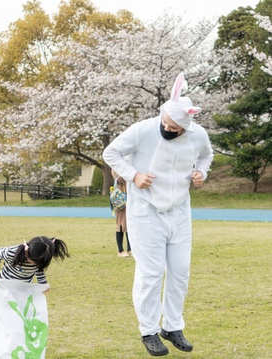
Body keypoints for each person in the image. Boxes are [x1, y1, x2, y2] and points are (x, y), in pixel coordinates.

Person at [103, 72, 213, 356]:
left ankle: (173, 326)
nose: (167, 127)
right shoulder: (142, 129)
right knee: (151, 274)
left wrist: (201, 172)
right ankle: (148, 331)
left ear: (186, 127)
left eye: (174, 127)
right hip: (145, 213)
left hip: (179, 212)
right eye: (165, 121)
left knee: (180, 272)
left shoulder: (197, 135)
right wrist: (133, 174)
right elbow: (111, 152)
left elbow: (206, 156)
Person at [0, 236, 70, 287]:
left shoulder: (41, 257)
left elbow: (39, 269)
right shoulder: (12, 252)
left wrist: (42, 283)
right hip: (4, 284)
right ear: (27, 252)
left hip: (25, 287)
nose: (36, 264)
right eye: (35, 262)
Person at [111, 169, 131, 258]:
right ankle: (120, 250)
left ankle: (130, 249)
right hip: (120, 198)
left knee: (129, 224)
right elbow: (118, 179)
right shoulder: (116, 166)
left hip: (128, 196)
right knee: (120, 224)